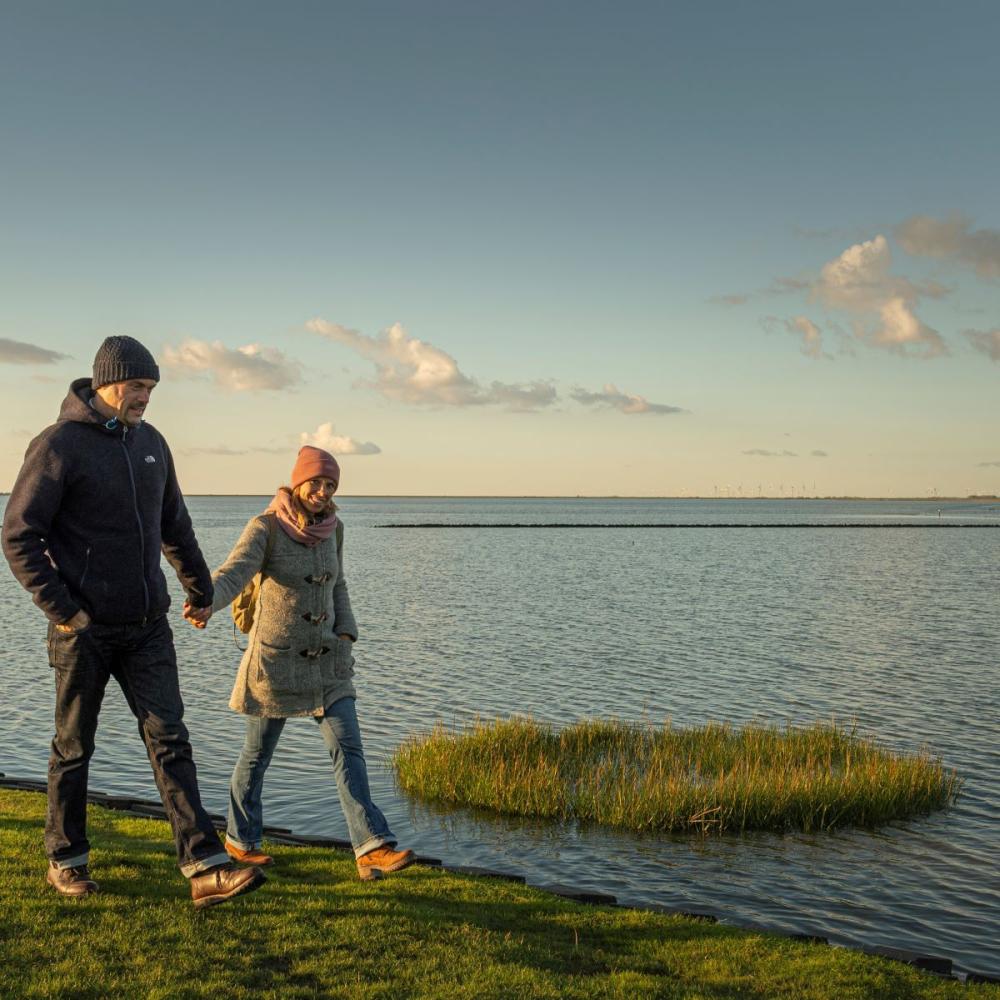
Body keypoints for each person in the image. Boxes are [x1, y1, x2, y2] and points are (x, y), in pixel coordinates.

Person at [1, 336, 265, 907]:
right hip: (84, 631)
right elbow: (19, 536)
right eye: (136, 386)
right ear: (105, 382)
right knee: (74, 748)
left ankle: (204, 866)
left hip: (148, 625)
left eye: (151, 388)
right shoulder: (59, 445)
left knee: (171, 739)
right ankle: (66, 860)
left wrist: (199, 590)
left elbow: (175, 524)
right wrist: (64, 609)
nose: (145, 397)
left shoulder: (152, 444)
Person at [184, 445, 414, 881]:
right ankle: (240, 839)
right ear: (298, 481)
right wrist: (204, 602)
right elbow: (233, 572)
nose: (323, 492)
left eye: (331, 486)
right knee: (256, 755)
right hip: (275, 664)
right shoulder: (266, 528)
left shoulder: (335, 529)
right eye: (317, 483)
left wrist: (346, 632)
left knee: (349, 749)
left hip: (328, 663)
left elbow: (338, 584)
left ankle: (370, 847)